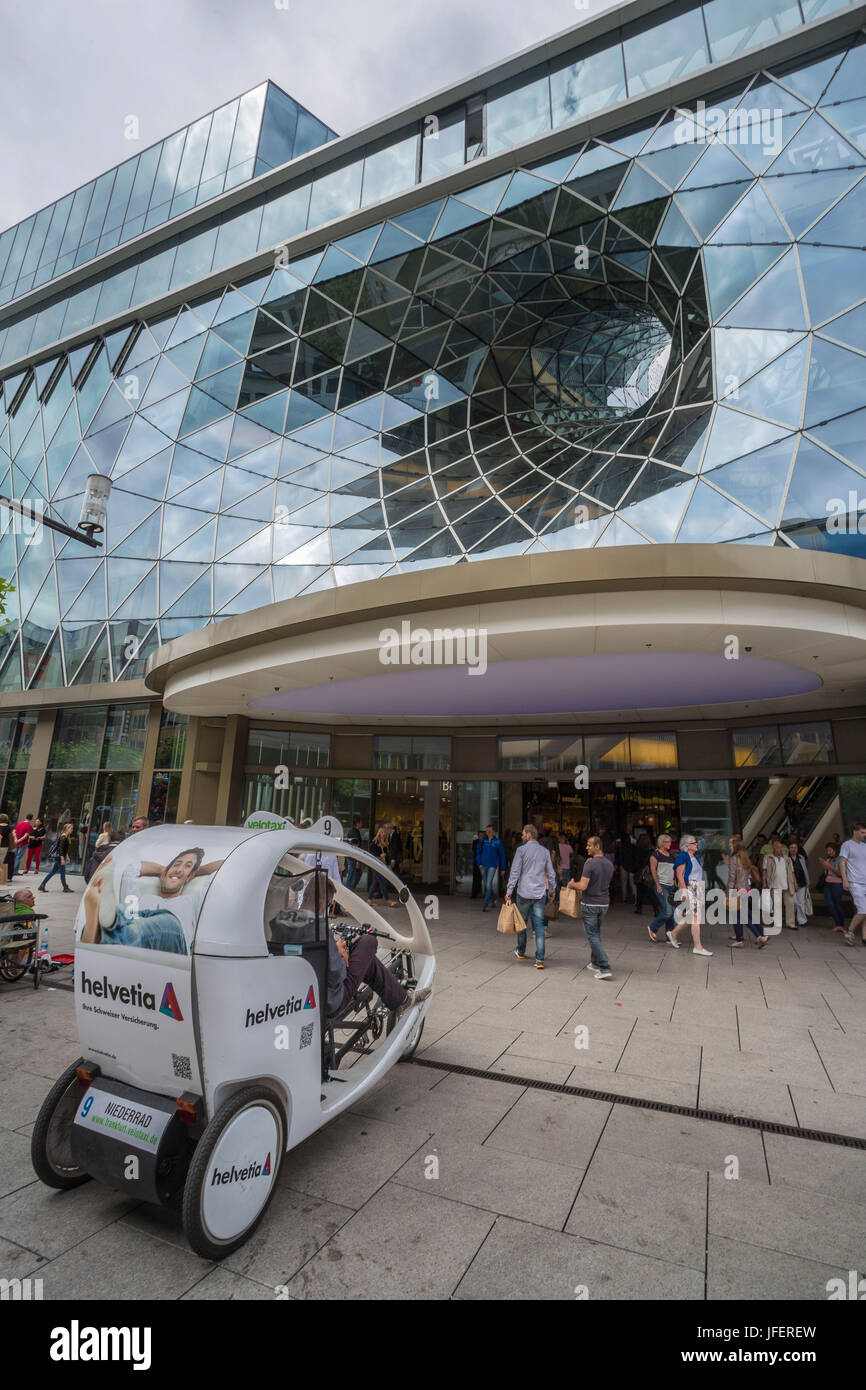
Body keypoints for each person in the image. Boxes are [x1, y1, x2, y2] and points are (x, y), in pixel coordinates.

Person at [80, 847, 223, 953]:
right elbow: (132, 868)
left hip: (174, 935)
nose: (179, 869)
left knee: (151, 925)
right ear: (164, 874)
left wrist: (196, 871)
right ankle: (101, 926)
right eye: (177, 864)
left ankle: (104, 923)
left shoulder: (192, 902)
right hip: (137, 925)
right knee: (127, 914)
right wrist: (163, 869)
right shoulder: (143, 898)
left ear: (191, 876)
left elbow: (224, 867)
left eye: (187, 866)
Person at [323, 879, 431, 1018]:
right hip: (333, 999)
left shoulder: (302, 926)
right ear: (322, 902)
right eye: (329, 904)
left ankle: (401, 999)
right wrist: (336, 949)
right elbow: (336, 970)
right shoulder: (318, 929)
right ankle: (402, 1000)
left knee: (368, 962)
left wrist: (333, 946)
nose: (328, 907)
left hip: (314, 993)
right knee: (368, 941)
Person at [505, 825, 556, 969]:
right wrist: (552, 890)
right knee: (539, 926)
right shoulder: (545, 852)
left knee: (521, 924)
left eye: (523, 834)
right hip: (540, 893)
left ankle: (521, 951)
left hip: (523, 893)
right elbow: (551, 874)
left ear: (528, 835)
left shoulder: (521, 850)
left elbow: (514, 872)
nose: (521, 836)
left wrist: (509, 890)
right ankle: (539, 959)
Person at [574, 835, 615, 979]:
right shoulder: (609, 863)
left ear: (598, 846)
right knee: (595, 933)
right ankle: (595, 962)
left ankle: (604, 967)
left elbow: (583, 886)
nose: (586, 848)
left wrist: (572, 884)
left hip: (590, 903)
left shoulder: (589, 864)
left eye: (589, 845)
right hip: (604, 903)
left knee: (592, 935)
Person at [670, 833, 712, 955]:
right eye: (694, 842)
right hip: (690, 888)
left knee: (691, 917)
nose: (697, 844)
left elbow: (698, 875)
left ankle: (673, 933)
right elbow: (679, 875)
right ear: (687, 845)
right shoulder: (683, 856)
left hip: (697, 888)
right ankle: (698, 947)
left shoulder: (694, 856)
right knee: (695, 918)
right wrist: (684, 890)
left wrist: (701, 893)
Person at [727, 844, 769, 948]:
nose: (730, 847)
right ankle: (739, 939)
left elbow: (732, 878)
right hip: (745, 890)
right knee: (739, 916)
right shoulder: (746, 860)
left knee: (740, 917)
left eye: (731, 845)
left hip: (736, 891)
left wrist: (728, 893)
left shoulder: (734, 859)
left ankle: (758, 936)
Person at [839, 821, 866, 947]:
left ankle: (865, 938)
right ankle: (849, 932)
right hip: (855, 883)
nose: (864, 835)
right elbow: (842, 862)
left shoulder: (864, 846)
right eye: (862, 832)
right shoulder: (847, 845)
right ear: (855, 832)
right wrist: (845, 880)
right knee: (863, 909)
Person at [647, 832, 677, 943]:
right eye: (667, 842)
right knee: (668, 911)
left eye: (670, 841)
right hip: (661, 886)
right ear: (661, 842)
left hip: (670, 886)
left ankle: (670, 937)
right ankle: (653, 928)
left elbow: (672, 871)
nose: (670, 844)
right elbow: (653, 871)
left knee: (672, 912)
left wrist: (674, 882)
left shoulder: (670, 855)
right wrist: (658, 885)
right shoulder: (655, 855)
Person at [763, 834, 796, 929]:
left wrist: (795, 883)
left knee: (790, 904)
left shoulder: (787, 859)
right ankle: (777, 923)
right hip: (774, 885)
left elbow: (792, 872)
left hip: (787, 885)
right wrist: (764, 882)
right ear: (773, 848)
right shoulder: (768, 857)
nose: (780, 849)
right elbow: (764, 870)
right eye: (778, 847)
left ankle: (791, 923)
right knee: (777, 905)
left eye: (781, 847)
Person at [38, 822, 74, 893]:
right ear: (67, 829)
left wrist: (67, 857)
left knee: (52, 872)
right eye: (71, 828)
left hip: (60, 857)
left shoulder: (65, 837)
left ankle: (42, 885)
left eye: (72, 828)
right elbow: (60, 849)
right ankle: (65, 887)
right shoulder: (63, 837)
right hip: (59, 858)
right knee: (62, 873)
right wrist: (62, 859)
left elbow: (64, 849)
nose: (72, 830)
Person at [477, 824, 506, 912]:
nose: (488, 832)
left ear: (493, 831)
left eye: (490, 831)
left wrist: (503, 868)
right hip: (483, 865)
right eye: (487, 831)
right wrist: (479, 863)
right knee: (487, 885)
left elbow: (502, 856)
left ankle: (485, 904)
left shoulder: (497, 842)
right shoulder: (482, 841)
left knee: (488, 884)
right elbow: (478, 853)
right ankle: (493, 898)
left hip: (492, 866)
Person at [818, 842, 845, 932]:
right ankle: (838, 923)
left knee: (837, 903)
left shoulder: (840, 859)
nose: (828, 852)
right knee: (829, 904)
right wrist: (823, 865)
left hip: (837, 884)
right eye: (827, 851)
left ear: (835, 850)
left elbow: (840, 873)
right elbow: (825, 871)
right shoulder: (828, 859)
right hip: (827, 883)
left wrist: (828, 865)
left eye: (830, 850)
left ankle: (840, 924)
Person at [787, 836, 811, 927]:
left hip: (802, 882)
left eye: (795, 847)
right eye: (791, 847)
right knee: (794, 902)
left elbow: (805, 870)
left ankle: (802, 921)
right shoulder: (786, 858)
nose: (793, 849)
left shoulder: (801, 857)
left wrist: (808, 881)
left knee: (801, 902)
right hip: (790, 883)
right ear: (789, 849)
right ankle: (793, 919)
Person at [343, 816, 364, 894]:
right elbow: (356, 847)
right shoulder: (355, 833)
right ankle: (349, 891)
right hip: (353, 857)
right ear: (357, 823)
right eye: (361, 823)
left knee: (354, 873)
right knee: (352, 874)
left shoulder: (352, 831)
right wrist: (358, 860)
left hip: (352, 856)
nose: (362, 824)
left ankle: (350, 889)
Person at [470, 828, 484, 899]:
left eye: (482, 835)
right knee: (476, 878)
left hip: (483, 863)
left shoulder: (485, 842)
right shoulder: (475, 842)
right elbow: (474, 851)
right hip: (476, 862)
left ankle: (481, 892)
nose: (481, 836)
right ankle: (474, 894)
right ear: (478, 836)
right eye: (480, 835)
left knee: (482, 878)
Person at [0, 814, 14, 881]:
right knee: (2, 861)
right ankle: (1, 878)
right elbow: (10, 837)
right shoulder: (9, 827)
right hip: (4, 846)